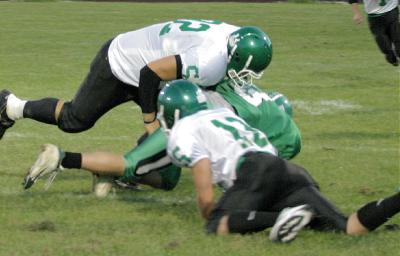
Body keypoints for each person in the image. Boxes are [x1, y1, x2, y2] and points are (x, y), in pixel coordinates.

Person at [156, 80, 399, 242]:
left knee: (216, 225)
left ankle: (287, 216)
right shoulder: (222, 113)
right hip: (288, 171)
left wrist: (209, 211)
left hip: (255, 171)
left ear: (172, 111)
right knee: (347, 228)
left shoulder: (184, 128)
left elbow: (203, 174)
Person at [0, 19, 273, 139]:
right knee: (75, 121)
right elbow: (150, 73)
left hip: (151, 61)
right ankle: (10, 106)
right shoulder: (209, 62)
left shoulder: (236, 37)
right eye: (246, 72)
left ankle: (131, 172)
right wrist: (149, 118)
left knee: (181, 119)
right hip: (122, 63)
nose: (247, 79)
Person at [22, 79, 301, 195]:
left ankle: (110, 175)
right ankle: (62, 157)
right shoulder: (285, 134)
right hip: (189, 122)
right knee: (131, 162)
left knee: (167, 180)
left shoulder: (251, 95)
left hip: (182, 104)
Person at [349, 0, 400, 66]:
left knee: (398, 40)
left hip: (392, 11)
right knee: (382, 42)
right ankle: (391, 58)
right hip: (374, 17)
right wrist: (356, 13)